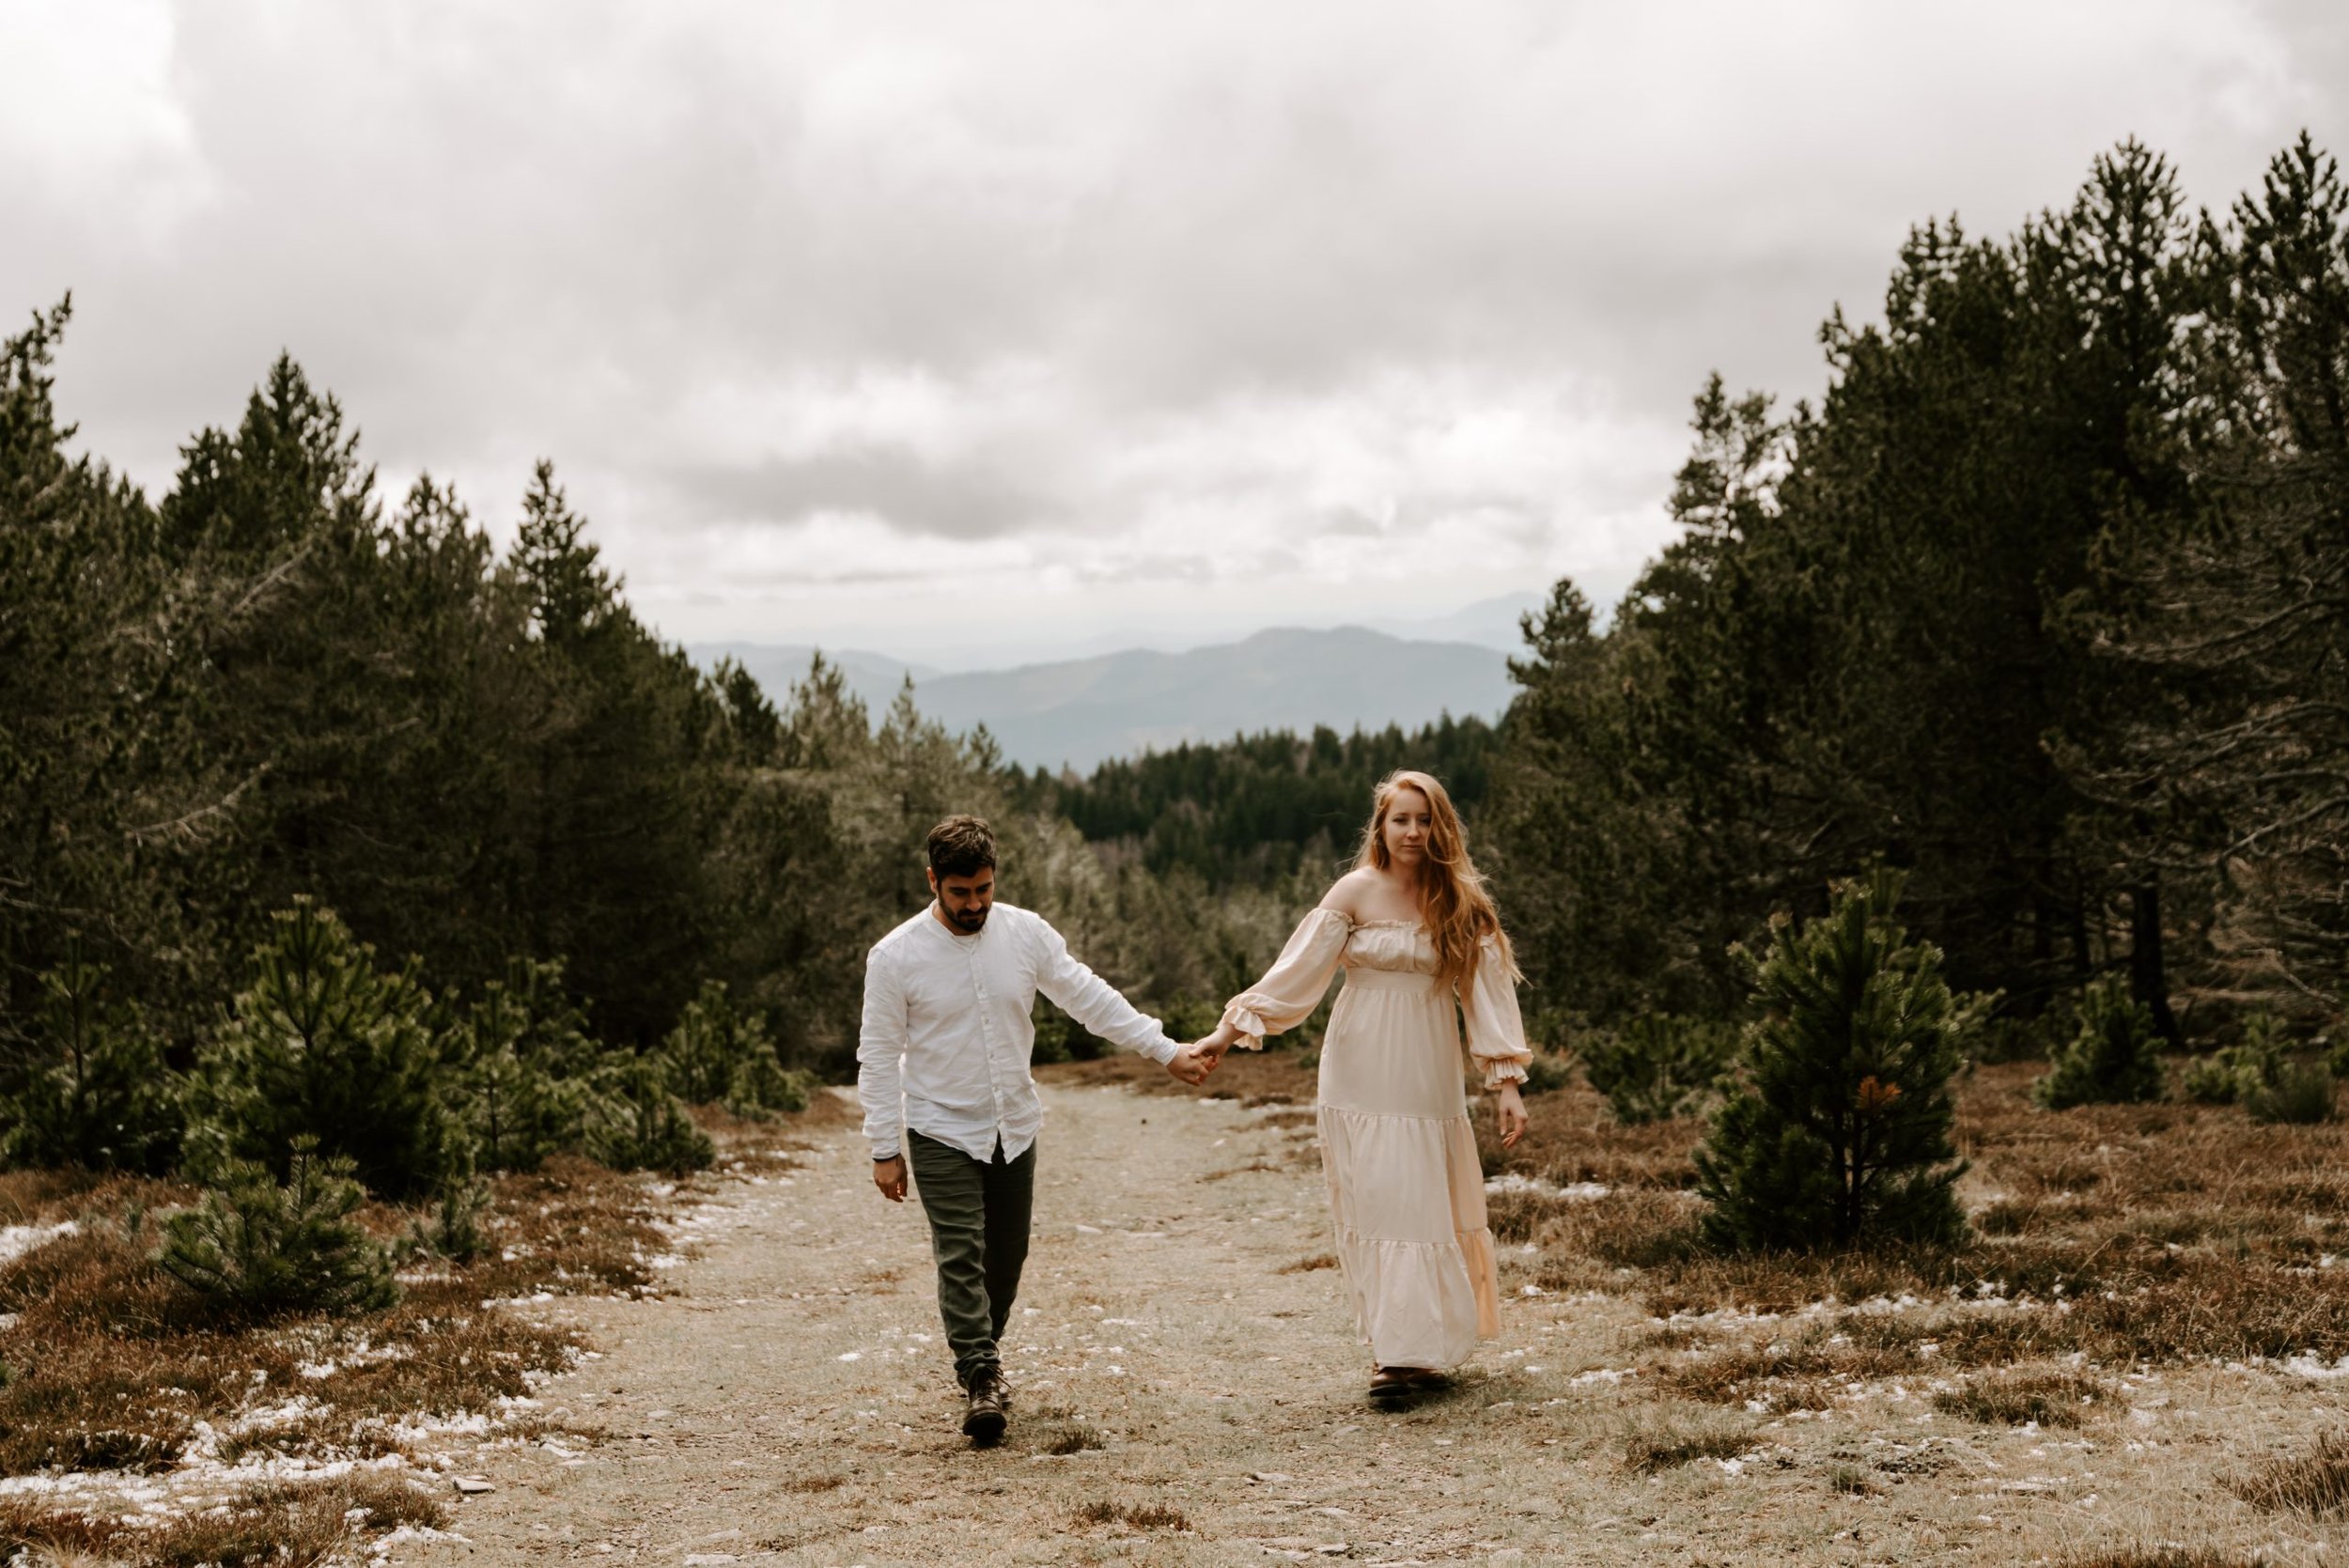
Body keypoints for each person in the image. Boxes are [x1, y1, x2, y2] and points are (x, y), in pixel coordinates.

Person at [859, 815, 1219, 1444]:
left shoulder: (1026, 934)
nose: (974, 904)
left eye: (984, 890)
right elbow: (879, 1052)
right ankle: (979, 1376)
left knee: (1006, 1260)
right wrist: (884, 1146)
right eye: (960, 892)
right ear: (933, 881)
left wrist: (1164, 1050)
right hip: (940, 1128)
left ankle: (982, 1354)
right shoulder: (895, 956)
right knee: (961, 1252)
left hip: (1013, 1126)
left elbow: (1089, 997)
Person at [1196, 769, 1530, 1398]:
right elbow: (1294, 975)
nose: (1412, 830)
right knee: (1379, 1197)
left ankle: (1419, 1351)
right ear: (1380, 825)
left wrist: (1506, 1081)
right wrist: (1226, 1032)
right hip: (1357, 1066)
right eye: (1400, 818)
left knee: (1420, 1197)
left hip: (1426, 1068)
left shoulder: (1458, 900)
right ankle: (1395, 1353)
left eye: (1424, 819)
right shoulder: (1354, 891)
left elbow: (1486, 996)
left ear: (1442, 826)